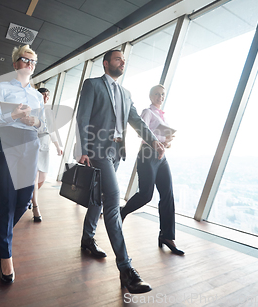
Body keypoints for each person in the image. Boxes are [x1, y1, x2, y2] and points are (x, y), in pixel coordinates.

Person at [76, 49, 165, 294]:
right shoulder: (92, 85)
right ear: (106, 63)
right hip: (97, 151)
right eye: (117, 59)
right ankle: (126, 269)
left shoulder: (126, 94)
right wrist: (83, 149)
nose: (122, 62)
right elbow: (82, 118)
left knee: (99, 197)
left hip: (116, 152)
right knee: (113, 203)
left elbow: (137, 121)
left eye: (124, 60)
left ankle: (87, 238)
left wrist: (154, 140)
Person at [0, 45, 45, 284]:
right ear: (15, 64)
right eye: (24, 59)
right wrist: (14, 115)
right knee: (5, 200)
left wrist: (34, 121)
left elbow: (42, 125)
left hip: (30, 143)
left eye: (32, 61)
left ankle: (5, 230)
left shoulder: (38, 95)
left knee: (23, 200)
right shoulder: (3, 87)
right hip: (6, 141)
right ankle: (6, 256)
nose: (29, 64)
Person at [120, 85, 184, 255]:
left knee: (167, 194)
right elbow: (141, 133)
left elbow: (165, 140)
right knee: (146, 194)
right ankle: (122, 212)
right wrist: (158, 138)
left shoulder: (164, 117)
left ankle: (167, 236)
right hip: (147, 154)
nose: (159, 97)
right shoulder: (147, 112)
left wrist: (167, 141)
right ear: (150, 96)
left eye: (162, 94)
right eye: (156, 94)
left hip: (161, 156)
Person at [30, 88, 63, 222]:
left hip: (45, 146)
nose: (45, 97)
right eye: (43, 94)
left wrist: (57, 146)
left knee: (42, 177)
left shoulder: (49, 113)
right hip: (33, 144)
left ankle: (29, 197)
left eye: (47, 95)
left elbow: (52, 131)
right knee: (34, 176)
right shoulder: (31, 109)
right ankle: (35, 207)